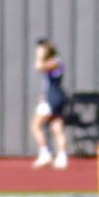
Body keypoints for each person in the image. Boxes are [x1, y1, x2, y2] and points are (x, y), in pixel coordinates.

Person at [31, 38, 68, 169]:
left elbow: (39, 67)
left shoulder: (55, 61)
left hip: (52, 98)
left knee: (36, 126)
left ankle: (44, 153)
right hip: (53, 97)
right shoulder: (55, 61)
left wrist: (39, 56)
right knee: (56, 126)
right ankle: (62, 157)